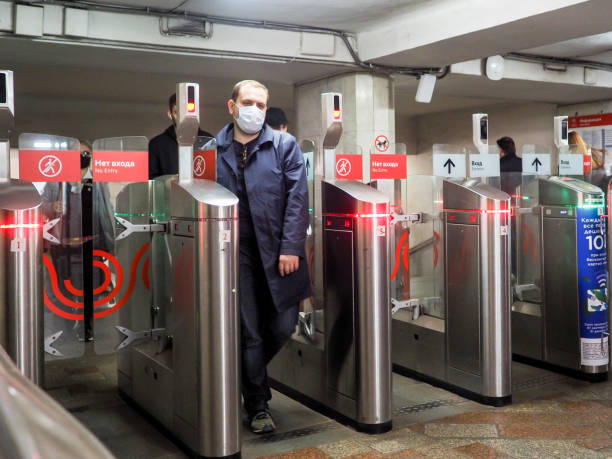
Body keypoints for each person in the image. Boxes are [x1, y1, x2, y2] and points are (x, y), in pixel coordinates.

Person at [216, 80, 310, 434]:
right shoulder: (213, 149)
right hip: (234, 254)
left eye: (261, 104)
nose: (254, 109)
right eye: (247, 102)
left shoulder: (284, 145)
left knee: (284, 326)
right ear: (232, 105)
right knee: (250, 332)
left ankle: (243, 375)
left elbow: (297, 199)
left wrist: (290, 247)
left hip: (278, 251)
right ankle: (257, 406)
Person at [148, 93, 213, 179]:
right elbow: (150, 180)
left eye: (186, 112)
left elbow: (216, 178)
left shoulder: (208, 141)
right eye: (177, 112)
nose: (183, 118)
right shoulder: (156, 145)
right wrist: (166, 183)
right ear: (169, 114)